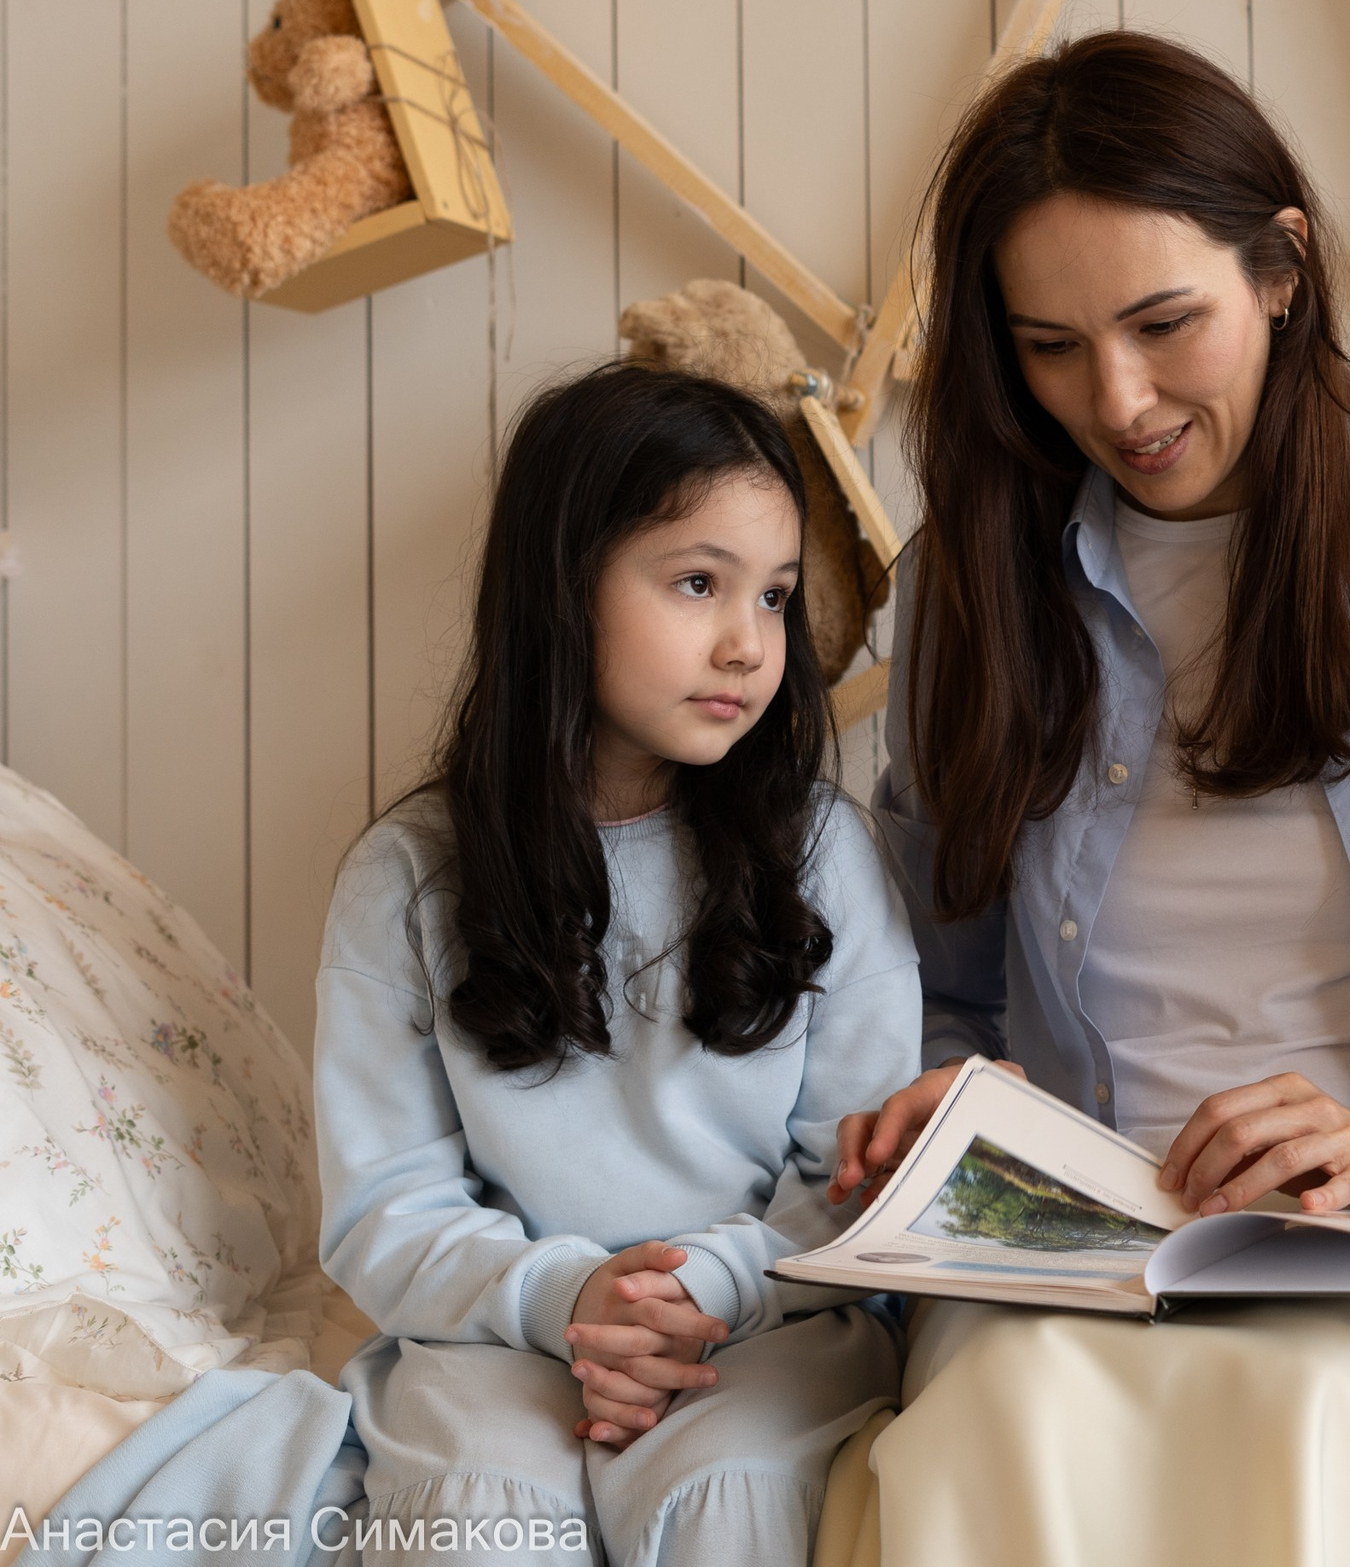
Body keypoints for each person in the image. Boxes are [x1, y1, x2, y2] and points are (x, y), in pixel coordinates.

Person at [832, 31, 1350, 1565]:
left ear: (1282, 270)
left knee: (1322, 1433)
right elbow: (937, 987)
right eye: (1051, 345)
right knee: (1008, 1426)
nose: (1118, 398)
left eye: (1163, 322)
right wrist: (946, 1106)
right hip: (1066, 1267)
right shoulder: (969, 578)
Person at [314, 364, 920, 1567]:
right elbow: (385, 1207)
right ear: (562, 588)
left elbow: (859, 1172)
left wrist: (706, 1284)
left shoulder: (820, 856)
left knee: (730, 1497)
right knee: (480, 1517)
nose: (748, 644)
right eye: (698, 583)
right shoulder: (408, 875)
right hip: (493, 1335)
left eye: (777, 597)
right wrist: (567, 1302)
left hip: (771, 1325)